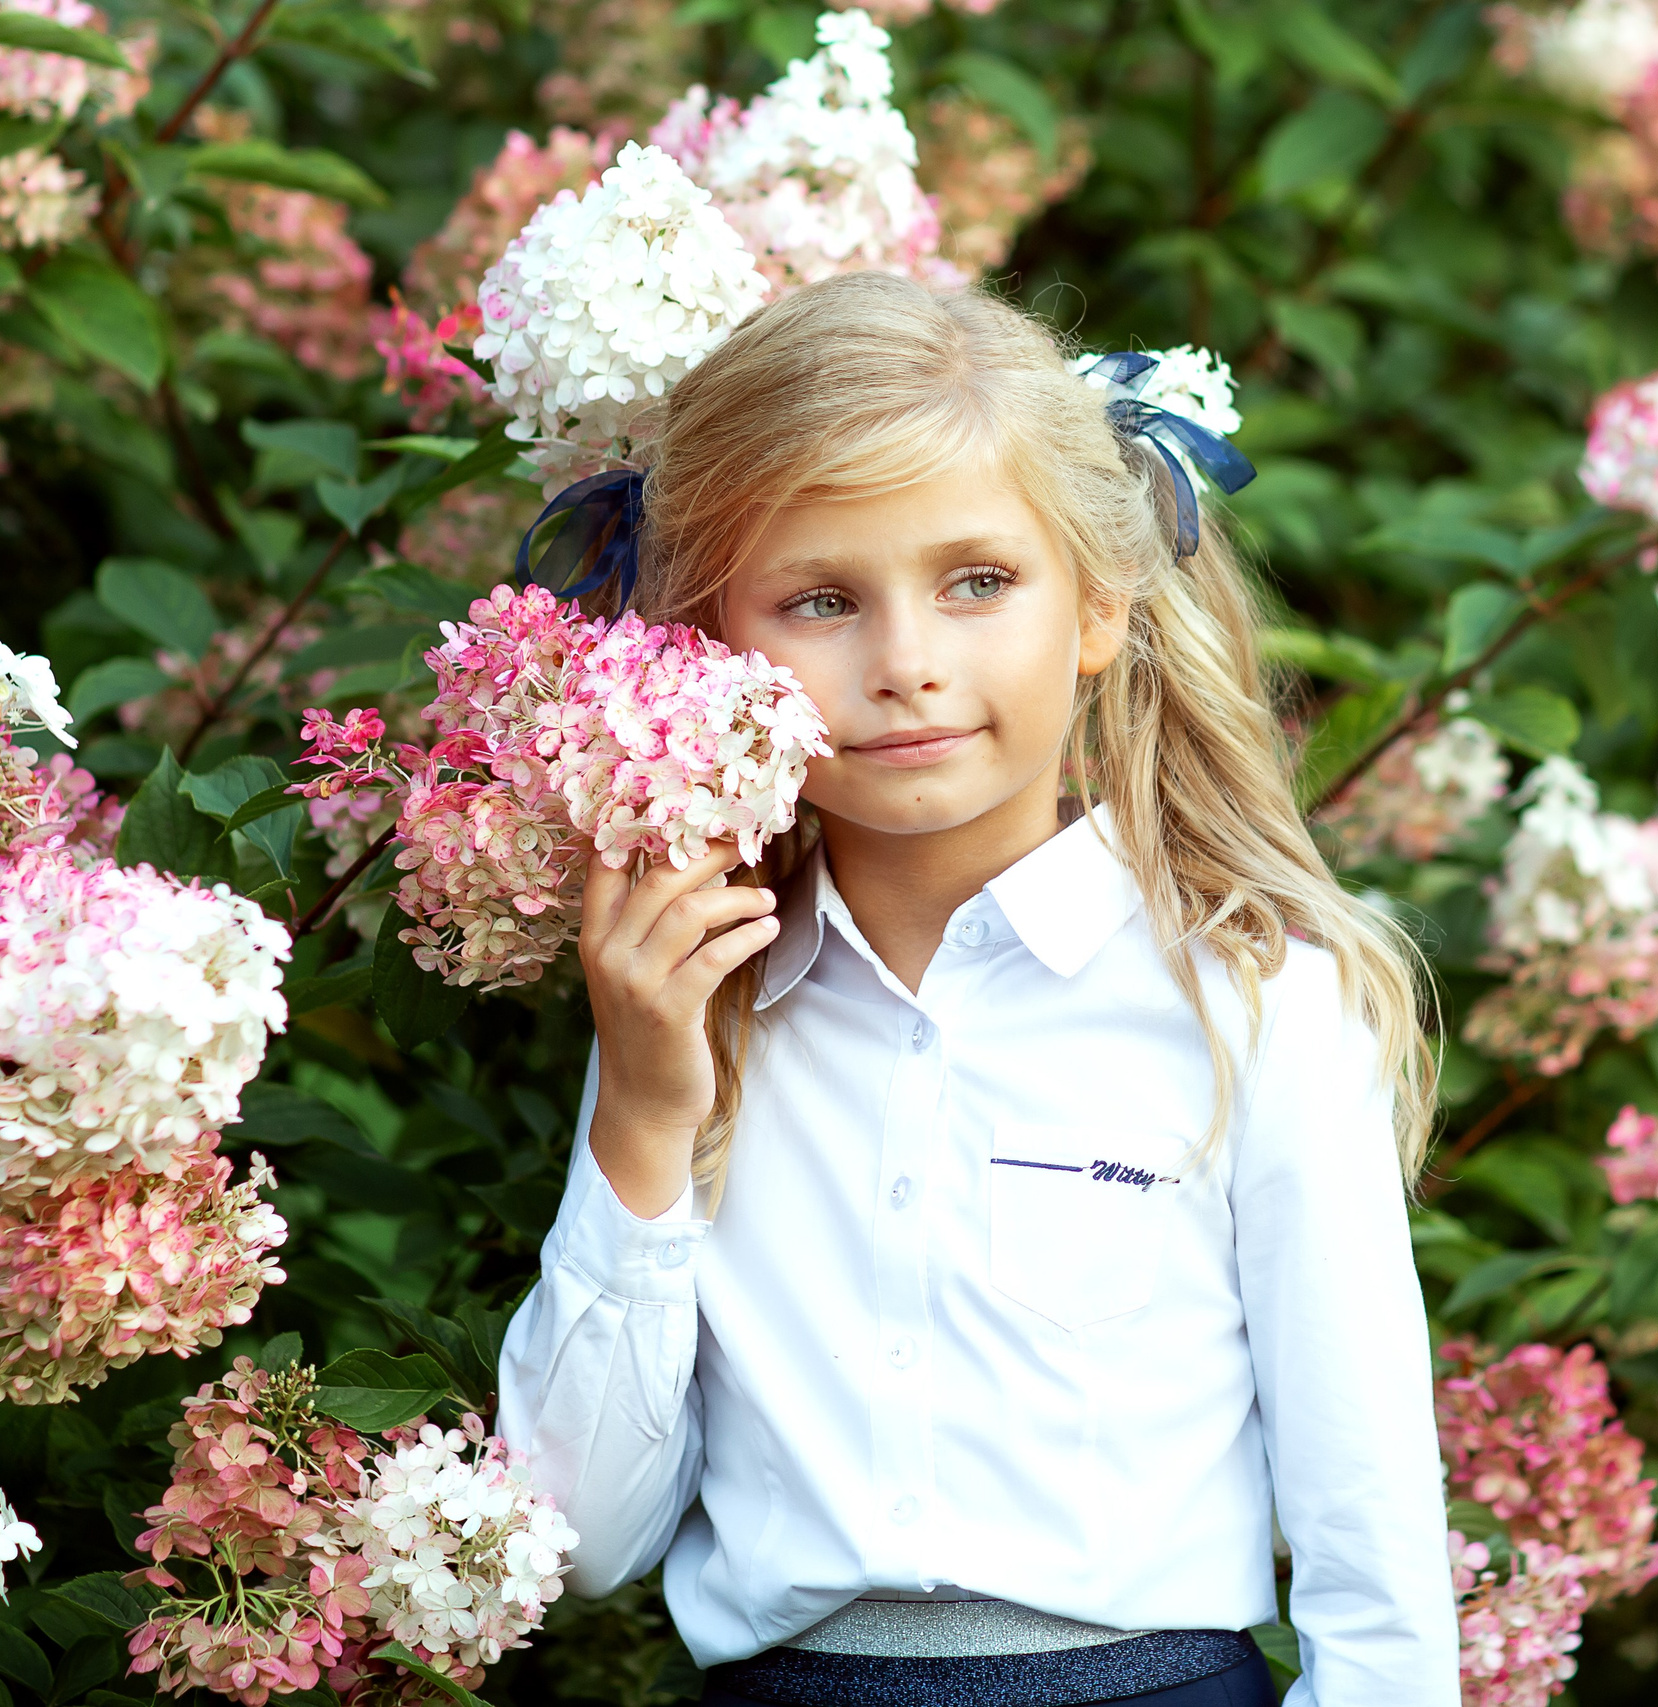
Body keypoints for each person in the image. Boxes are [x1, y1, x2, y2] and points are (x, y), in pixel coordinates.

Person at [496, 269, 1458, 1707]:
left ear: (1099, 606)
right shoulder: (694, 1006)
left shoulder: (1253, 1002)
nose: (907, 665)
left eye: (979, 583)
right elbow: (576, 1540)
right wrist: (640, 1108)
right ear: (709, 651)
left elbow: (1371, 1542)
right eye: (822, 601)